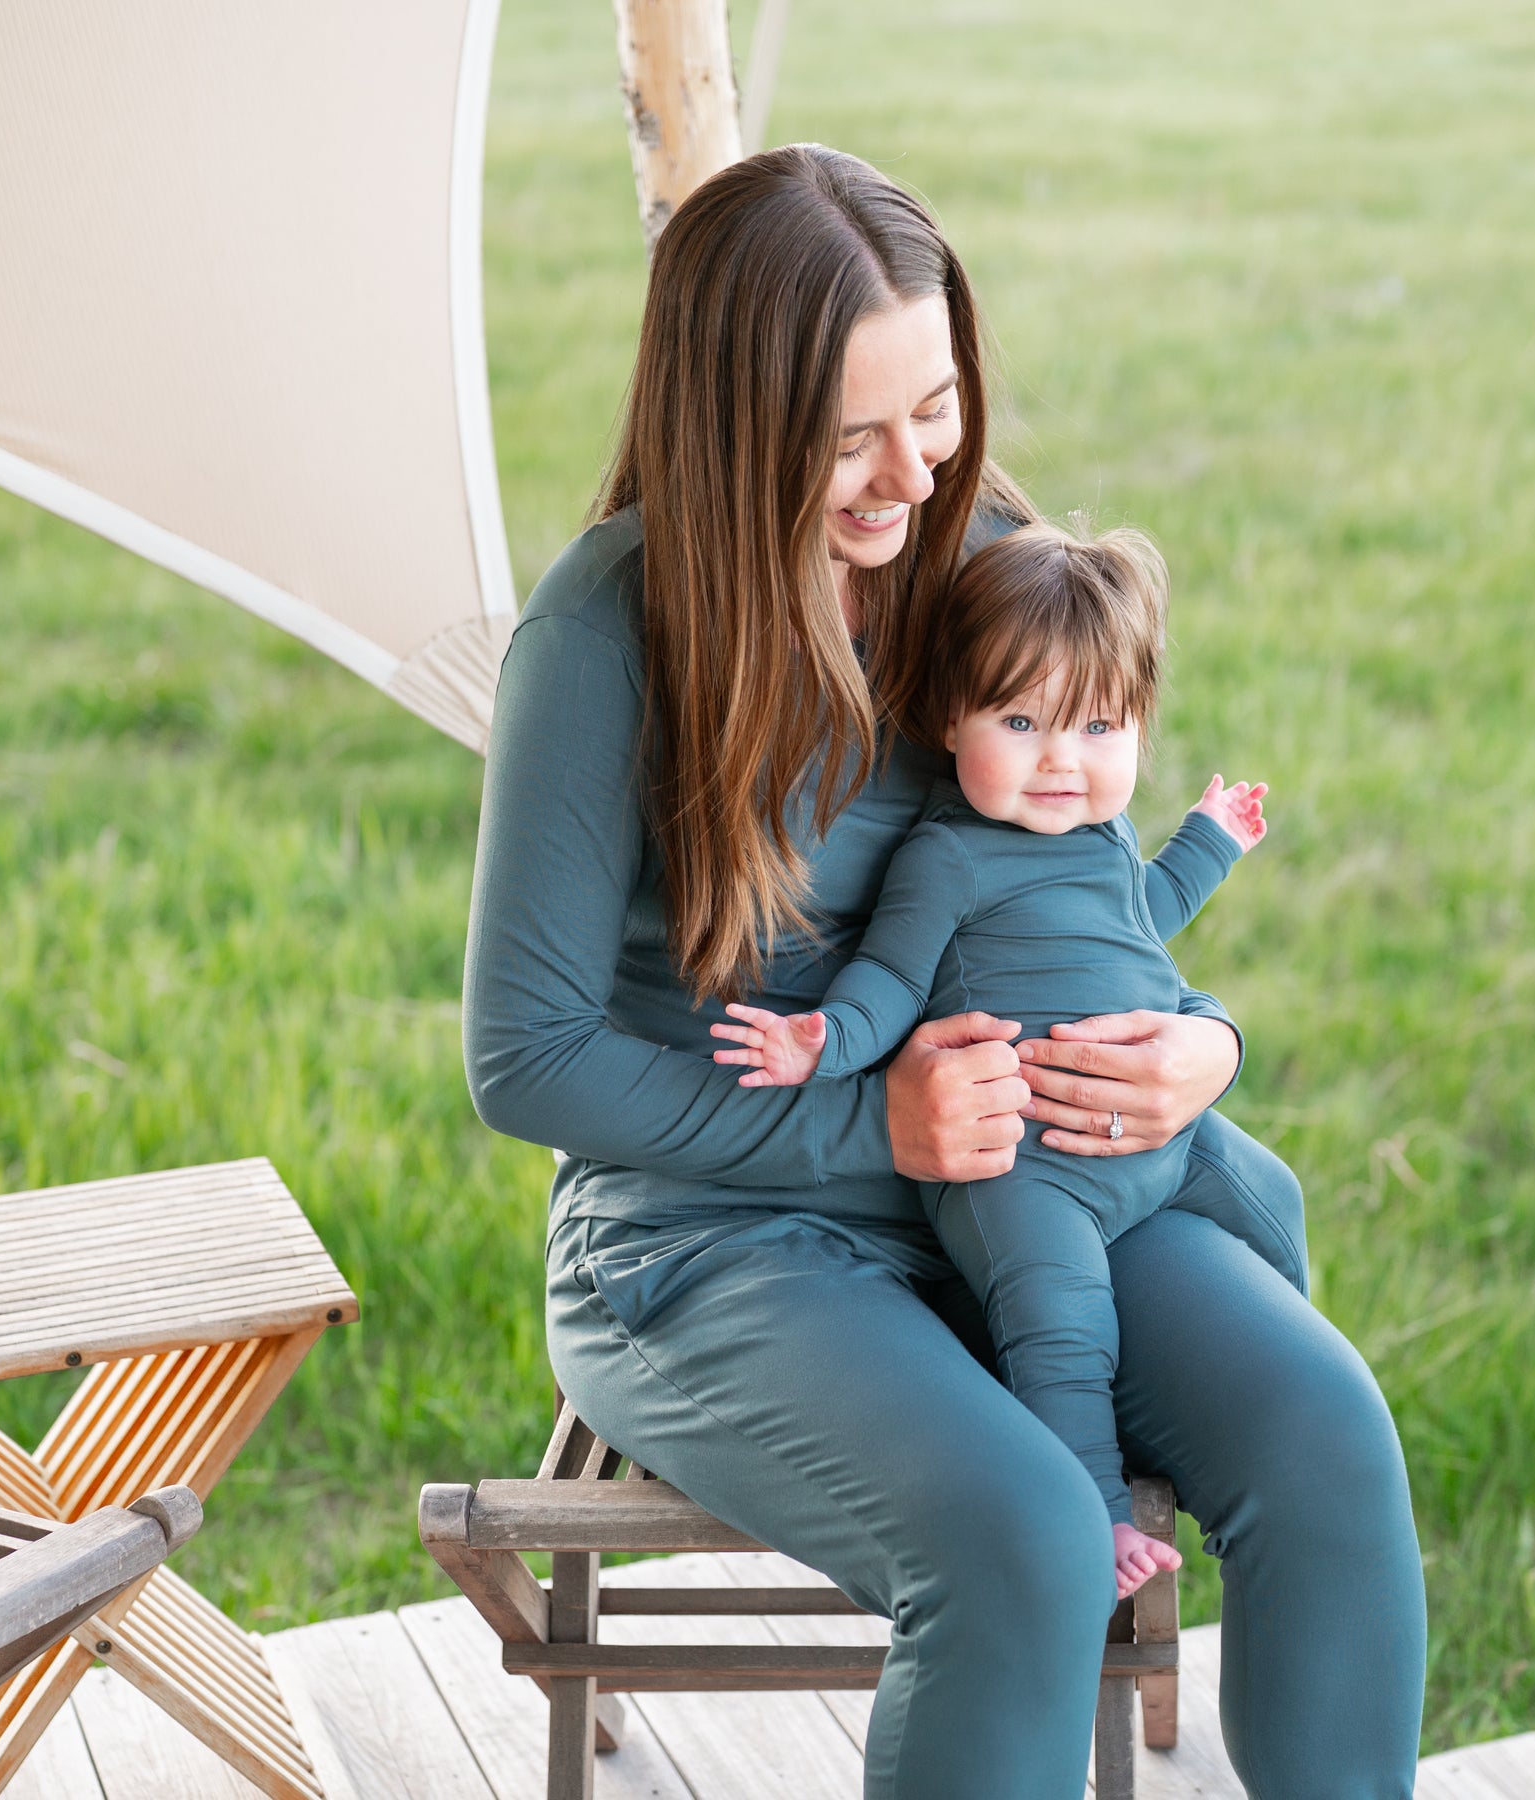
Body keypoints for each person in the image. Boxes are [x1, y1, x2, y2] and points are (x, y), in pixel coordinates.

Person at [464, 143, 1426, 1799]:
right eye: (851, 436)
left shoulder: (974, 551)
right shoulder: (606, 636)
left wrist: (1202, 1044)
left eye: (938, 408)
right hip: (715, 1239)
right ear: (730, 421)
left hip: (1036, 1186)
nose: (915, 477)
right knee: (1026, 1538)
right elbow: (528, 1060)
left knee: (1327, 1434)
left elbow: (1078, 874)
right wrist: (878, 1134)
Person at [707, 519, 1303, 1600]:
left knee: (1275, 1202)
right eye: (1020, 721)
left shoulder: (1106, 838)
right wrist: (820, 1039)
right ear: (950, 719)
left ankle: (1245, 1434)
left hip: (1163, 1137)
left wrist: (1208, 839)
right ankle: (1099, 1510)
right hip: (1024, 1169)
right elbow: (887, 983)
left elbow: (1145, 918)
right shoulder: (945, 855)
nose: (1061, 761)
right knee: (1057, 1324)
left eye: (1097, 726)